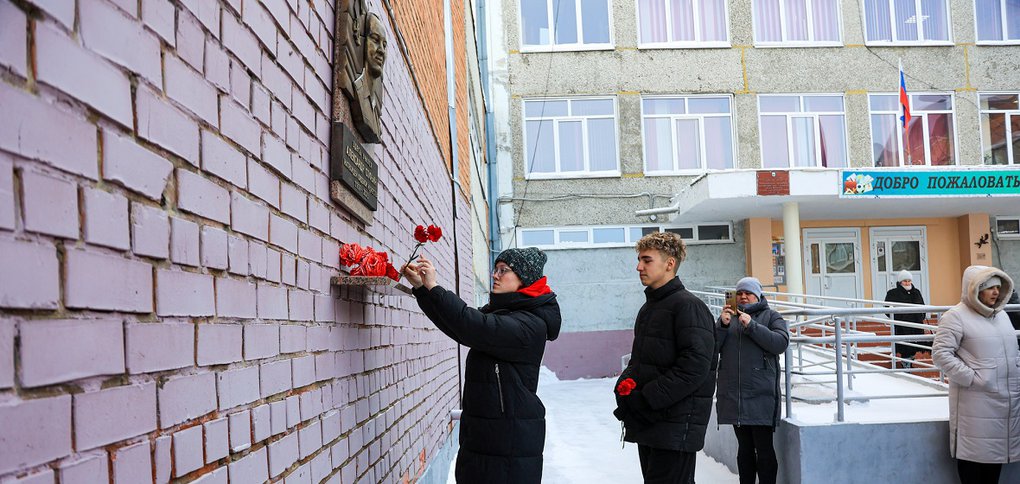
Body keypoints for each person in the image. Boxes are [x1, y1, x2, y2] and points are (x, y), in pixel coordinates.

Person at [401, 248, 561, 484]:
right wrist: (422, 289)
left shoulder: (529, 325)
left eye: (504, 270)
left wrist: (434, 287)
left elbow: (471, 325)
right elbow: (458, 326)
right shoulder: (508, 313)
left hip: (508, 442)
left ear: (524, 278)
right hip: (488, 436)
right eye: (495, 269)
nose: (495, 275)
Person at [613, 232, 716, 483]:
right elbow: (640, 360)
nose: (639, 267)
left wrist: (647, 398)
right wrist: (624, 386)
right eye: (639, 260)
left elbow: (694, 368)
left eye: (647, 260)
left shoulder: (688, 306)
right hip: (650, 422)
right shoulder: (651, 307)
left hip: (674, 425)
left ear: (669, 264)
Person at [931, 266, 1020, 484]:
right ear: (975, 289)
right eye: (990, 287)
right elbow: (941, 354)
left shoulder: (1002, 317)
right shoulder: (956, 317)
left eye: (998, 287)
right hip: (975, 404)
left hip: (1005, 405)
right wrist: (973, 378)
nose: (996, 292)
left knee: (994, 463)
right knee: (974, 464)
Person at [715, 277, 790, 484]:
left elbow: (780, 343)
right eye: (739, 293)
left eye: (748, 293)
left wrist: (752, 326)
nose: (743, 297)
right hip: (734, 395)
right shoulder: (727, 318)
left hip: (761, 394)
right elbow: (711, 349)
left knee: (764, 448)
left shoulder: (771, 316)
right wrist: (722, 325)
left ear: (758, 295)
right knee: (744, 449)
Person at [884, 270, 927, 368]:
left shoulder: (916, 292)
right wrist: (898, 319)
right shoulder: (893, 293)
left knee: (914, 346)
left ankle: (909, 362)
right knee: (905, 346)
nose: (907, 283)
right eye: (905, 281)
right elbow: (887, 309)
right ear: (900, 282)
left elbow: (922, 306)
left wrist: (921, 316)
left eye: (909, 280)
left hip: (916, 325)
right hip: (902, 327)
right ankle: (906, 363)